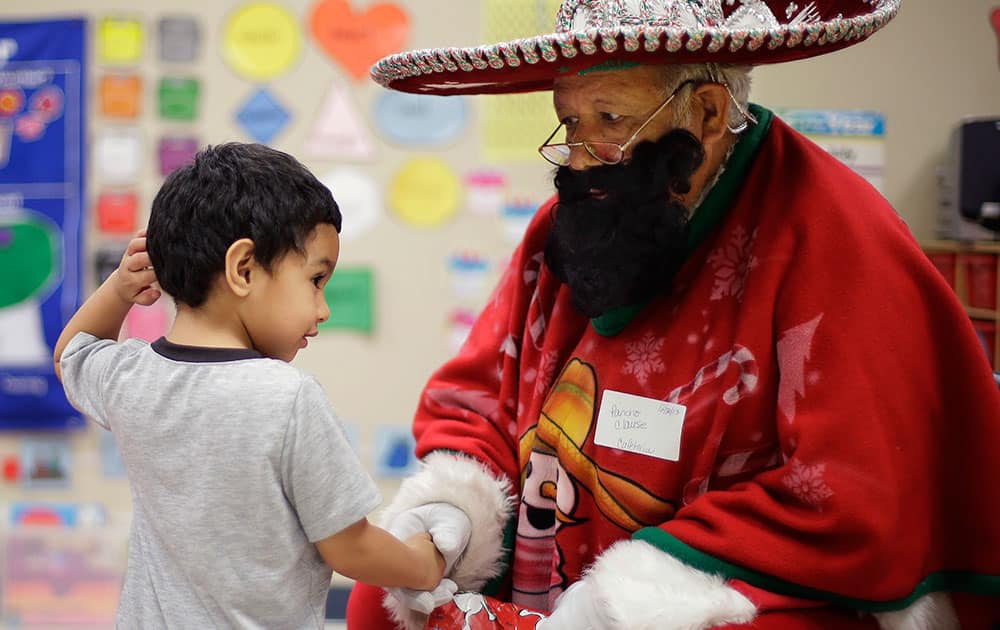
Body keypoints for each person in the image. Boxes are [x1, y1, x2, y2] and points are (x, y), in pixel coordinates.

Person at [346, 1, 1000, 629]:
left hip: (740, 579)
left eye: (608, 118)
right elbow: (481, 395)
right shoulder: (573, 223)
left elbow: (859, 496)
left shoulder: (835, 235)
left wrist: (629, 599)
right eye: (570, 122)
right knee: (379, 605)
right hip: (559, 541)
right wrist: (450, 513)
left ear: (709, 113)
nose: (578, 154)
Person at [53, 143, 462, 629]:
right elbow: (350, 547)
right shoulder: (287, 397)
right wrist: (425, 562)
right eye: (315, 280)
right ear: (243, 269)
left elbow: (71, 354)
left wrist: (120, 287)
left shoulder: (132, 377)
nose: (323, 309)